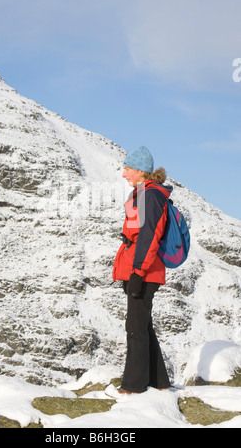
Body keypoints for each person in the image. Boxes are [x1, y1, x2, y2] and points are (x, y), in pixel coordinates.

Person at [113, 146, 172, 394]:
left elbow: (149, 236)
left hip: (144, 271)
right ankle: (158, 382)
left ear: (140, 171)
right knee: (143, 325)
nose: (124, 174)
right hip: (138, 269)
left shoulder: (150, 196)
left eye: (127, 169)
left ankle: (134, 386)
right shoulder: (141, 194)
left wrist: (137, 272)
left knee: (135, 327)